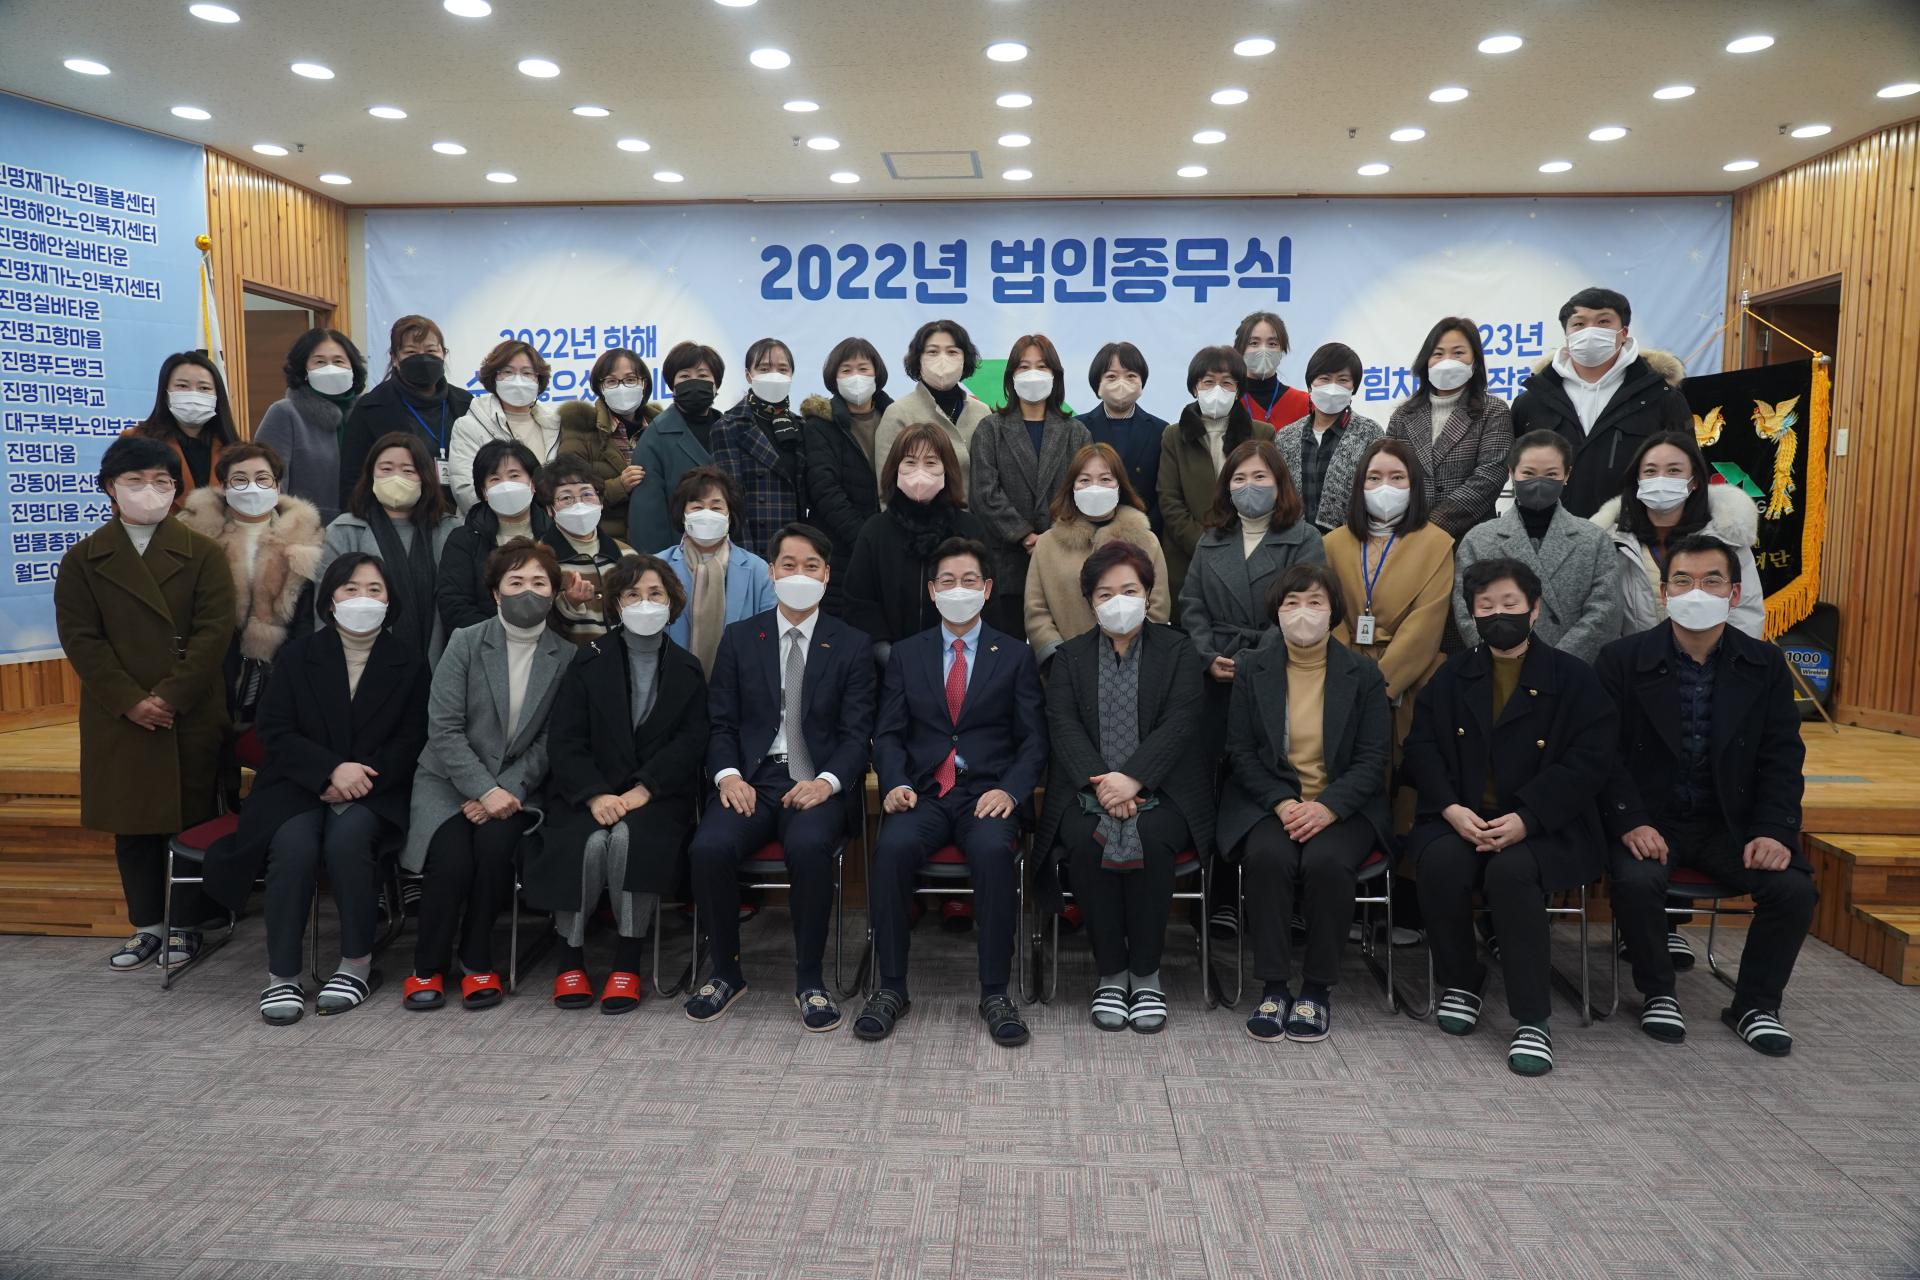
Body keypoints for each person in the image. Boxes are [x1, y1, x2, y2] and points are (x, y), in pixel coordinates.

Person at [1598, 534, 1813, 1055]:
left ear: (1734, 593)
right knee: (1636, 880)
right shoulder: (1621, 659)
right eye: (1683, 580)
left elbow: (1782, 756)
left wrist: (1774, 830)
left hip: (1730, 824)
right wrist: (1630, 820)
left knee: (1793, 890)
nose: (1696, 591)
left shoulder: (1764, 663)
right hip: (1653, 818)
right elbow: (1603, 755)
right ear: (1664, 593)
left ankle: (1756, 1005)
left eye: (1711, 581)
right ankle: (1657, 992)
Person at [1402, 558, 1617, 1076]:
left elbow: (1590, 761)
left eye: (1510, 604)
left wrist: (1529, 817)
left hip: (1545, 825)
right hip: (1463, 817)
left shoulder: (1573, 678)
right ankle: (1461, 981)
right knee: (1440, 864)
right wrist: (1451, 808)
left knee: (1511, 872)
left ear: (1534, 609)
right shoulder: (1452, 675)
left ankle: (1532, 1017)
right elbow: (1421, 748)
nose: (1498, 615)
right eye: (1486, 607)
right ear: (1472, 615)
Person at [205, 553, 428, 1023]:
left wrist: (357, 777)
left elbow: (412, 740)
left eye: (374, 590)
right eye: (351, 589)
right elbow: (275, 730)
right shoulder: (297, 655)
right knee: (293, 846)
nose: (363, 599)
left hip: (374, 786)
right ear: (330, 600)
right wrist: (328, 772)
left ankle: (356, 964)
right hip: (296, 782)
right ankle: (282, 974)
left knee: (349, 842)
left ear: (390, 601)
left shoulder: (409, 662)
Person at [856, 537, 1048, 1047]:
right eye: (947, 581)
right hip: (923, 793)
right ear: (932, 590)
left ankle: (995, 992)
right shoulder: (906, 653)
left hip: (987, 793)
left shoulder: (1014, 655)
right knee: (892, 848)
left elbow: (1034, 740)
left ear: (987, 589)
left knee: (993, 853)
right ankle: (890, 987)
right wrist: (895, 782)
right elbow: (888, 733)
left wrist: (1011, 792)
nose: (957, 589)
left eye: (968, 581)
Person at [684, 524, 876, 1029]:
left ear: (827, 575)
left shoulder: (852, 644)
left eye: (811, 566)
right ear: (771, 572)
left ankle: (810, 979)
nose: (799, 575)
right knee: (708, 849)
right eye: (789, 564)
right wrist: (728, 777)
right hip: (752, 779)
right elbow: (720, 722)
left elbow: (858, 734)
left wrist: (827, 782)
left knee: (810, 849)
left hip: (816, 781)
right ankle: (726, 972)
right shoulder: (740, 638)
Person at [53, 437, 233, 970]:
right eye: (135, 481)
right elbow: (81, 639)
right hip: (119, 713)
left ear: (176, 490)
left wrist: (170, 695)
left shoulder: (204, 553)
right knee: (131, 824)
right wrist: (131, 700)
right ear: (110, 488)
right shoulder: (83, 559)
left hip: (187, 709)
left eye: (161, 481)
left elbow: (215, 632)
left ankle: (188, 924)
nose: (149, 491)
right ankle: (147, 926)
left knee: (189, 819)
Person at [1035, 541, 1210, 1033]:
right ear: (1090, 601)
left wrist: (1133, 778)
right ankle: (1112, 973)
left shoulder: (1178, 650)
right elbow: (1063, 726)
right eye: (1106, 593)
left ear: (1149, 594)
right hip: (1085, 789)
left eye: (1129, 590)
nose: (1119, 602)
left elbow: (1181, 721)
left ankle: (1147, 974)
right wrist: (1105, 786)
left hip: (1165, 789)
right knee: (1088, 843)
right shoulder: (1069, 657)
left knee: (1151, 839)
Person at [528, 553, 710, 1014]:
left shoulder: (688, 668)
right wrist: (595, 794)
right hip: (586, 793)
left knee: (629, 840)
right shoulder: (586, 661)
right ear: (615, 604)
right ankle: (570, 956)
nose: (645, 603)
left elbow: (691, 743)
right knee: (589, 844)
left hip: (657, 797)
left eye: (655, 594)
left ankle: (628, 960)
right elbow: (565, 740)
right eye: (633, 594)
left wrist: (644, 788)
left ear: (672, 602)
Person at [1217, 563, 1391, 1043]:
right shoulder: (1254, 668)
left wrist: (1327, 807)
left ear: (1334, 611)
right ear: (1276, 611)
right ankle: (1274, 988)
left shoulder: (1363, 673)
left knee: (1327, 863)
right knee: (1268, 858)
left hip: (1344, 805)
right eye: (1291, 602)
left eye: (1315, 602)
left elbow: (1373, 758)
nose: (1302, 612)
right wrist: (1282, 803)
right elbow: (1241, 751)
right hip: (1272, 801)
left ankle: (1316, 990)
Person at [402, 540, 571, 1011]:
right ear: (495, 592)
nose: (527, 591)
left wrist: (504, 790)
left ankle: (477, 958)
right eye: (515, 582)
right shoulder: (466, 641)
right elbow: (444, 728)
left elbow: (551, 741)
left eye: (538, 582)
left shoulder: (566, 656)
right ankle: (427, 965)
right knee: (452, 859)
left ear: (554, 592)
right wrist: (483, 788)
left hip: (517, 788)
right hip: (446, 781)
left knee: (496, 852)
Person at [176, 443, 324, 730]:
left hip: (283, 673)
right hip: (210, 670)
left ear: (277, 486)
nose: (252, 487)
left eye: (263, 478)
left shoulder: (308, 537)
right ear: (224, 487)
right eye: (240, 479)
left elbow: (310, 614)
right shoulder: (193, 536)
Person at [1511, 287, 1693, 518]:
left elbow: (1687, 466)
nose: (1590, 332)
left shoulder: (1661, 396)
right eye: (1579, 324)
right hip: (1550, 529)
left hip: (1631, 529)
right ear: (1567, 335)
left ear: (1623, 332)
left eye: (1603, 322)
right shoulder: (1532, 400)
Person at [1323, 439, 1454, 752]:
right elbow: (1329, 616)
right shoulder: (1332, 543)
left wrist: (1379, 686)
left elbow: (1425, 626)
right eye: (1374, 477)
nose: (1385, 487)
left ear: (1414, 485)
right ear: (1360, 485)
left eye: (1397, 477)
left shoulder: (1437, 543)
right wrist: (1349, 678)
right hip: (1343, 676)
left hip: (1412, 680)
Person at [1452, 431, 1620, 664]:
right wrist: (1504, 658)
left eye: (1551, 474)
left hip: (1573, 671)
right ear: (1511, 473)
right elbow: (1465, 610)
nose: (1539, 482)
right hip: (1499, 668)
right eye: (1529, 473)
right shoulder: (1479, 539)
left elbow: (1605, 611)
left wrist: (1557, 664)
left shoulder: (1594, 539)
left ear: (1567, 474)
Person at [1180, 439, 1326, 691]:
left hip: (1278, 667)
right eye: (1239, 478)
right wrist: (1207, 655)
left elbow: (1303, 610)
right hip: (1216, 665)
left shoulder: (1305, 539)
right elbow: (1192, 603)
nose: (1249, 485)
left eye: (1259, 476)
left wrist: (1253, 659)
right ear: (1227, 487)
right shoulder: (1210, 539)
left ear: (1279, 483)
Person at [970, 334, 1092, 633]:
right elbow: (984, 493)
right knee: (1007, 649)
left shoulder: (1076, 432)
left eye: (1042, 366)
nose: (1033, 374)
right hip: (1006, 564)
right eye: (1024, 367)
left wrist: (1051, 538)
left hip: (1063, 560)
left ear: (1055, 375)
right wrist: (1024, 535)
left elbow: (1085, 493)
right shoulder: (990, 428)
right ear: (1011, 376)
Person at [843, 423, 991, 667]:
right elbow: (859, 602)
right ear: (895, 469)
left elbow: (988, 602)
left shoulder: (970, 530)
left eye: (931, 462)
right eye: (910, 462)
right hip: (887, 667)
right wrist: (888, 655)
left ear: (947, 469)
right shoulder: (876, 531)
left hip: (959, 663)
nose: (920, 471)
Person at [1591, 431, 1764, 639]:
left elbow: (1745, 615)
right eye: (1650, 471)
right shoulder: (1611, 541)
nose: (1661, 479)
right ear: (1637, 479)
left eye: (1674, 470)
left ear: (1694, 481)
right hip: (1631, 658)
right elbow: (1599, 616)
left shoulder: (1726, 540)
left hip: (1710, 658)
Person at [321, 431, 461, 664]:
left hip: (440, 662)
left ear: (425, 477)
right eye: (386, 469)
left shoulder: (450, 531)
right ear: (371, 475)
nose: (397, 477)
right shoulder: (343, 531)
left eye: (408, 470)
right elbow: (325, 607)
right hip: (357, 662)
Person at [1024, 443, 1171, 663]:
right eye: (1084, 480)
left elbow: (1158, 606)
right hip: (1066, 665)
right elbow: (1036, 610)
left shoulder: (1146, 541)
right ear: (1072, 487)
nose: (1095, 488)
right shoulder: (1047, 544)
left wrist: (1131, 655)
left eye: (1105, 479)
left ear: (1119, 486)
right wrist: (1059, 657)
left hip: (1134, 664)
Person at [1158, 345, 1276, 603]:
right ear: (1194, 387)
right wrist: (1204, 544)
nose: (1217, 390)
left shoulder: (1262, 433)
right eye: (1208, 382)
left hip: (1248, 552)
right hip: (1188, 559)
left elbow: (1269, 494)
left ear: (1238, 390)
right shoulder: (1173, 436)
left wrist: (1237, 546)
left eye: (1226, 383)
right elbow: (1169, 500)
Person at [1387, 317, 1514, 540]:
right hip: (1407, 536)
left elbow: (1489, 476)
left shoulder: (1493, 411)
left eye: (1458, 353)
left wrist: (1432, 528)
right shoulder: (1403, 416)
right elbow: (1388, 473)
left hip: (1471, 538)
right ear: (1426, 362)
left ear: (1475, 361)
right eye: (1438, 354)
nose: (1447, 361)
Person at [337, 314, 474, 510]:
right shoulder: (370, 408)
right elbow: (352, 479)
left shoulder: (465, 403)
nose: (423, 358)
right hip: (394, 517)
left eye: (431, 350)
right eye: (411, 351)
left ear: (443, 354)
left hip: (460, 517)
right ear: (395, 358)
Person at [802, 336, 893, 614]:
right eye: (846, 370)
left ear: (877, 373)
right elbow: (824, 489)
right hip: (839, 549)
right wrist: (864, 538)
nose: (856, 377)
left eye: (864, 369)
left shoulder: (896, 418)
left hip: (890, 544)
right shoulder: (820, 425)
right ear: (834, 376)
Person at [656, 465, 776, 675]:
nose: (706, 514)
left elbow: (769, 636)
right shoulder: (657, 566)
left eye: (716, 507)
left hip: (740, 681)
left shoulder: (758, 570)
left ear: (730, 515)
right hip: (671, 681)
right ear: (683, 514)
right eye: (697, 507)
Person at [437, 440, 551, 634]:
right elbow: (454, 604)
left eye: (514, 476)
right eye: (495, 479)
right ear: (484, 491)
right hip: (483, 643)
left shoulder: (554, 535)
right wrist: (503, 637)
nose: (506, 485)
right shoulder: (464, 540)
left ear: (532, 483)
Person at [255, 327, 367, 524]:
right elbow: (270, 482)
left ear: (353, 368)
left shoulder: (367, 412)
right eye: (320, 362)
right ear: (304, 370)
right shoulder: (284, 413)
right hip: (304, 529)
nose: (330, 368)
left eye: (338, 361)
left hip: (363, 526)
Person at [709, 337, 808, 559]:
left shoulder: (800, 426)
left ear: (792, 375)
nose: (774, 375)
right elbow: (731, 500)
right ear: (748, 375)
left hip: (796, 544)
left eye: (782, 369)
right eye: (764, 369)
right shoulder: (729, 426)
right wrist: (746, 561)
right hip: (754, 545)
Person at [1274, 342, 1386, 532]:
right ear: (1310, 384)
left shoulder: (1370, 433)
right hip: (1295, 541)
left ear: (1353, 387)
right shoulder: (1286, 437)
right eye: (1324, 379)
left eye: (1343, 380)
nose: (1333, 387)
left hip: (1351, 540)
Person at [628, 340, 723, 555]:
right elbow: (647, 516)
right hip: (678, 556)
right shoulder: (655, 436)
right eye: (685, 376)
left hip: (731, 553)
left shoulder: (729, 429)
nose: (694, 382)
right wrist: (661, 565)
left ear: (716, 384)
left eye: (703, 376)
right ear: (672, 385)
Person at [448, 340, 560, 514]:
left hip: (549, 525)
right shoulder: (469, 426)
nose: (518, 380)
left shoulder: (554, 424)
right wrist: (515, 520)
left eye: (527, 373)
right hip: (493, 526)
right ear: (494, 377)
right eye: (508, 372)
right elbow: (466, 490)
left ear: (538, 379)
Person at [873, 319, 993, 481]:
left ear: (965, 360)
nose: (943, 359)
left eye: (952, 352)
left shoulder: (982, 412)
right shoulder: (898, 413)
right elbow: (886, 483)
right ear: (918, 360)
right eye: (932, 352)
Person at [559, 346, 651, 542]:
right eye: (611, 381)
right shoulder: (580, 429)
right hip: (604, 542)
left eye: (630, 379)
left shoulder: (660, 427)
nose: (622, 387)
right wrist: (619, 486)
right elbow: (567, 493)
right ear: (599, 387)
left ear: (644, 383)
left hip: (655, 539)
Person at [539, 460, 634, 646]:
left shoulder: (626, 555)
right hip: (572, 659)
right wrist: (569, 603)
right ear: (550, 509)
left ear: (601, 502)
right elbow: (534, 622)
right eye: (566, 498)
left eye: (587, 494)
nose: (579, 504)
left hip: (622, 656)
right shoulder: (540, 560)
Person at [124, 351, 239, 499]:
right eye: (182, 386)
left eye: (204, 388)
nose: (193, 395)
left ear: (217, 396)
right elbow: (123, 501)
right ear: (165, 393)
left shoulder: (234, 448)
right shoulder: (135, 441)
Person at [1078, 341, 1168, 530]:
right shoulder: (1077, 427)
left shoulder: (1160, 430)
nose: (1121, 383)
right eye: (1111, 376)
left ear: (1141, 382)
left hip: (1143, 532)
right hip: (1088, 531)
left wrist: (1145, 530)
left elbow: (1165, 493)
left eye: (1130, 376)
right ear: (1097, 383)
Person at [1234, 311, 1312, 427]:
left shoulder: (1304, 403)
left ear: (1282, 350)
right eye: (1254, 343)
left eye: (1272, 344)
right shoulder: (1228, 401)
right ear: (1240, 349)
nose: (1263, 350)